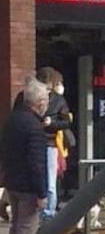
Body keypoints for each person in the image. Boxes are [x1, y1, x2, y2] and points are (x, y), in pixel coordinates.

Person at [1, 77, 51, 234]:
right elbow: (37, 164)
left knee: (16, 226)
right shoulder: (34, 127)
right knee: (26, 230)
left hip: (13, 181)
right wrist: (42, 193)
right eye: (46, 100)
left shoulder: (13, 120)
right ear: (40, 103)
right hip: (28, 185)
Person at [36, 67, 73, 220]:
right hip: (34, 141)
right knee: (36, 178)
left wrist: (51, 123)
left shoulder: (58, 100)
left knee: (50, 181)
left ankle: (48, 213)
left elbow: (67, 121)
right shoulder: (29, 97)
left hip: (50, 142)